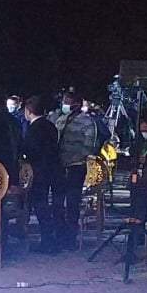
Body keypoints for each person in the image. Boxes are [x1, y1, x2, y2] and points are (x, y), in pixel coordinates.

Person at [48, 91, 105, 250]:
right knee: (57, 202)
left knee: (72, 203)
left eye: (68, 101)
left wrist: (75, 158)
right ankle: (59, 235)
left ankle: (70, 238)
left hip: (76, 167)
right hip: (59, 167)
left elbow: (90, 145)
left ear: (77, 104)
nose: (65, 104)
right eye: (64, 101)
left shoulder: (87, 121)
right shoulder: (60, 119)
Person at [22, 95, 61, 254]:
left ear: (28, 111)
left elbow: (31, 150)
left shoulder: (33, 129)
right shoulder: (51, 126)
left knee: (40, 206)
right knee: (45, 205)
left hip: (38, 171)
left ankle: (47, 241)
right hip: (52, 169)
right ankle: (50, 239)